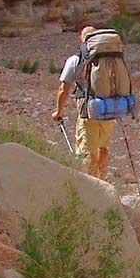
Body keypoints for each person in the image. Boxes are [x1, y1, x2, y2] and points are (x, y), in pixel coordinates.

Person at [53, 26, 113, 179]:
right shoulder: (109, 58)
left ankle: (92, 187)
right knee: (102, 147)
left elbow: (63, 89)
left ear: (81, 38)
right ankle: (103, 181)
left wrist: (58, 111)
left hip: (88, 110)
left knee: (88, 151)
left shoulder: (75, 60)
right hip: (109, 108)